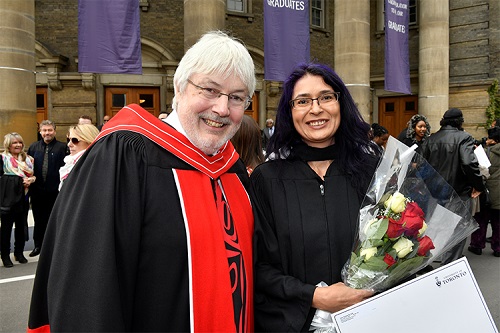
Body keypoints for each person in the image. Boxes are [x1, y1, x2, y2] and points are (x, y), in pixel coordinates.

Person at [28, 31, 256, 332]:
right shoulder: (123, 157)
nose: (223, 109)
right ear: (179, 87)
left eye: (237, 97)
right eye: (210, 90)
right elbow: (87, 292)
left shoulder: (234, 171)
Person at [249, 63, 378, 331]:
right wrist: (314, 296)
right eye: (302, 101)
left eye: (326, 97)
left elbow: (401, 243)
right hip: (294, 323)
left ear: (340, 104)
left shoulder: (373, 171)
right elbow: (257, 267)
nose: (316, 109)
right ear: (289, 112)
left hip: (369, 317)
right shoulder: (268, 180)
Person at [420, 108, 485, 266]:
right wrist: (478, 185)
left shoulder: (430, 139)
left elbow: (421, 166)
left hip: (435, 193)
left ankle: (430, 264)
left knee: (435, 229)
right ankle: (448, 269)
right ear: (459, 122)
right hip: (458, 193)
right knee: (456, 233)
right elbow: (469, 163)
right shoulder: (464, 138)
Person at [26, 120, 67, 257]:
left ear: (54, 131)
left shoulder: (63, 147)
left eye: (49, 130)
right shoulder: (33, 147)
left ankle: (55, 247)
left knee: (55, 220)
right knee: (39, 220)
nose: (47, 133)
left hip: (55, 192)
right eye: (44, 130)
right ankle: (38, 246)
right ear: (40, 132)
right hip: (37, 191)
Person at [0, 133, 36, 268]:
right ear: (8, 145)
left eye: (20, 142)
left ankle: (19, 253)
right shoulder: (3, 158)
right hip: (7, 199)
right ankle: (5, 255)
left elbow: (34, 175)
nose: (18, 145)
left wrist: (31, 180)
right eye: (14, 143)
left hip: (23, 197)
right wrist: (15, 181)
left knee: (21, 226)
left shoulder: (28, 159)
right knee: (6, 228)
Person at [468, 126, 500, 257]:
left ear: (492, 139)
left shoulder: (485, 152)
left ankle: (477, 245)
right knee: (498, 221)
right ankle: (498, 248)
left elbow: (479, 171)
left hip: (486, 191)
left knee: (481, 219)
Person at [59, 124, 99, 190]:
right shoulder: (71, 163)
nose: (69, 144)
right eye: (68, 140)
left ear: (89, 141)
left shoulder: (92, 165)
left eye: (75, 140)